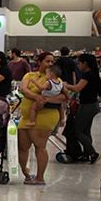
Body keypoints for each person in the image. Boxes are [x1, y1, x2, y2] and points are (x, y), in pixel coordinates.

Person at [17, 52, 66, 185]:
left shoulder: (56, 80)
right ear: (39, 62)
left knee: (40, 146)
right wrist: (37, 97)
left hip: (46, 115)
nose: (50, 64)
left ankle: (40, 177)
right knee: (22, 146)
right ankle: (26, 174)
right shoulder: (29, 75)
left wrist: (45, 99)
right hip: (26, 116)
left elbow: (63, 97)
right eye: (47, 61)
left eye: (52, 62)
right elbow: (23, 89)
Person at [63, 53, 101, 163]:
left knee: (77, 131)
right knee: (85, 131)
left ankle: (92, 153)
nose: (78, 65)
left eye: (79, 63)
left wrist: (66, 85)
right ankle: (86, 154)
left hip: (87, 106)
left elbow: (77, 88)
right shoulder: (94, 74)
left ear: (85, 63)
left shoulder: (87, 75)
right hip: (93, 105)